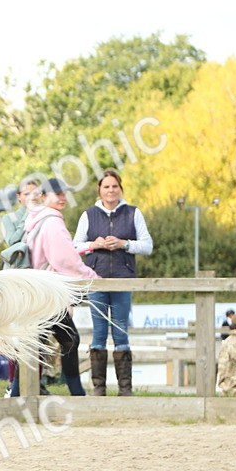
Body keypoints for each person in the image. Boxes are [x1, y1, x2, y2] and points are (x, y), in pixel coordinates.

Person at [12, 178, 100, 397]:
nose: (62, 197)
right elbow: (64, 260)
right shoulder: (52, 221)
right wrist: (92, 277)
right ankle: (77, 394)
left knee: (38, 342)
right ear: (44, 197)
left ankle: (16, 395)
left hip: (35, 291)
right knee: (68, 339)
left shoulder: (35, 220)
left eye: (63, 193)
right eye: (56, 194)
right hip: (47, 292)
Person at [74, 169, 153, 396]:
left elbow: (147, 245)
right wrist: (94, 244)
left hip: (123, 279)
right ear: (100, 190)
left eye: (114, 186)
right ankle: (99, 388)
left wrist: (124, 244)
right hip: (96, 279)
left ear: (120, 188)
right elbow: (75, 246)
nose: (111, 190)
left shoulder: (133, 213)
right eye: (106, 186)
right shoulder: (88, 215)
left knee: (120, 332)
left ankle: (125, 389)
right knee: (99, 332)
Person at [0, 179, 40, 267]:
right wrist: (28, 214)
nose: (32, 197)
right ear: (19, 197)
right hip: (17, 268)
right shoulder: (8, 218)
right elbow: (12, 242)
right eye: (27, 194)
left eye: (35, 193)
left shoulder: (44, 216)